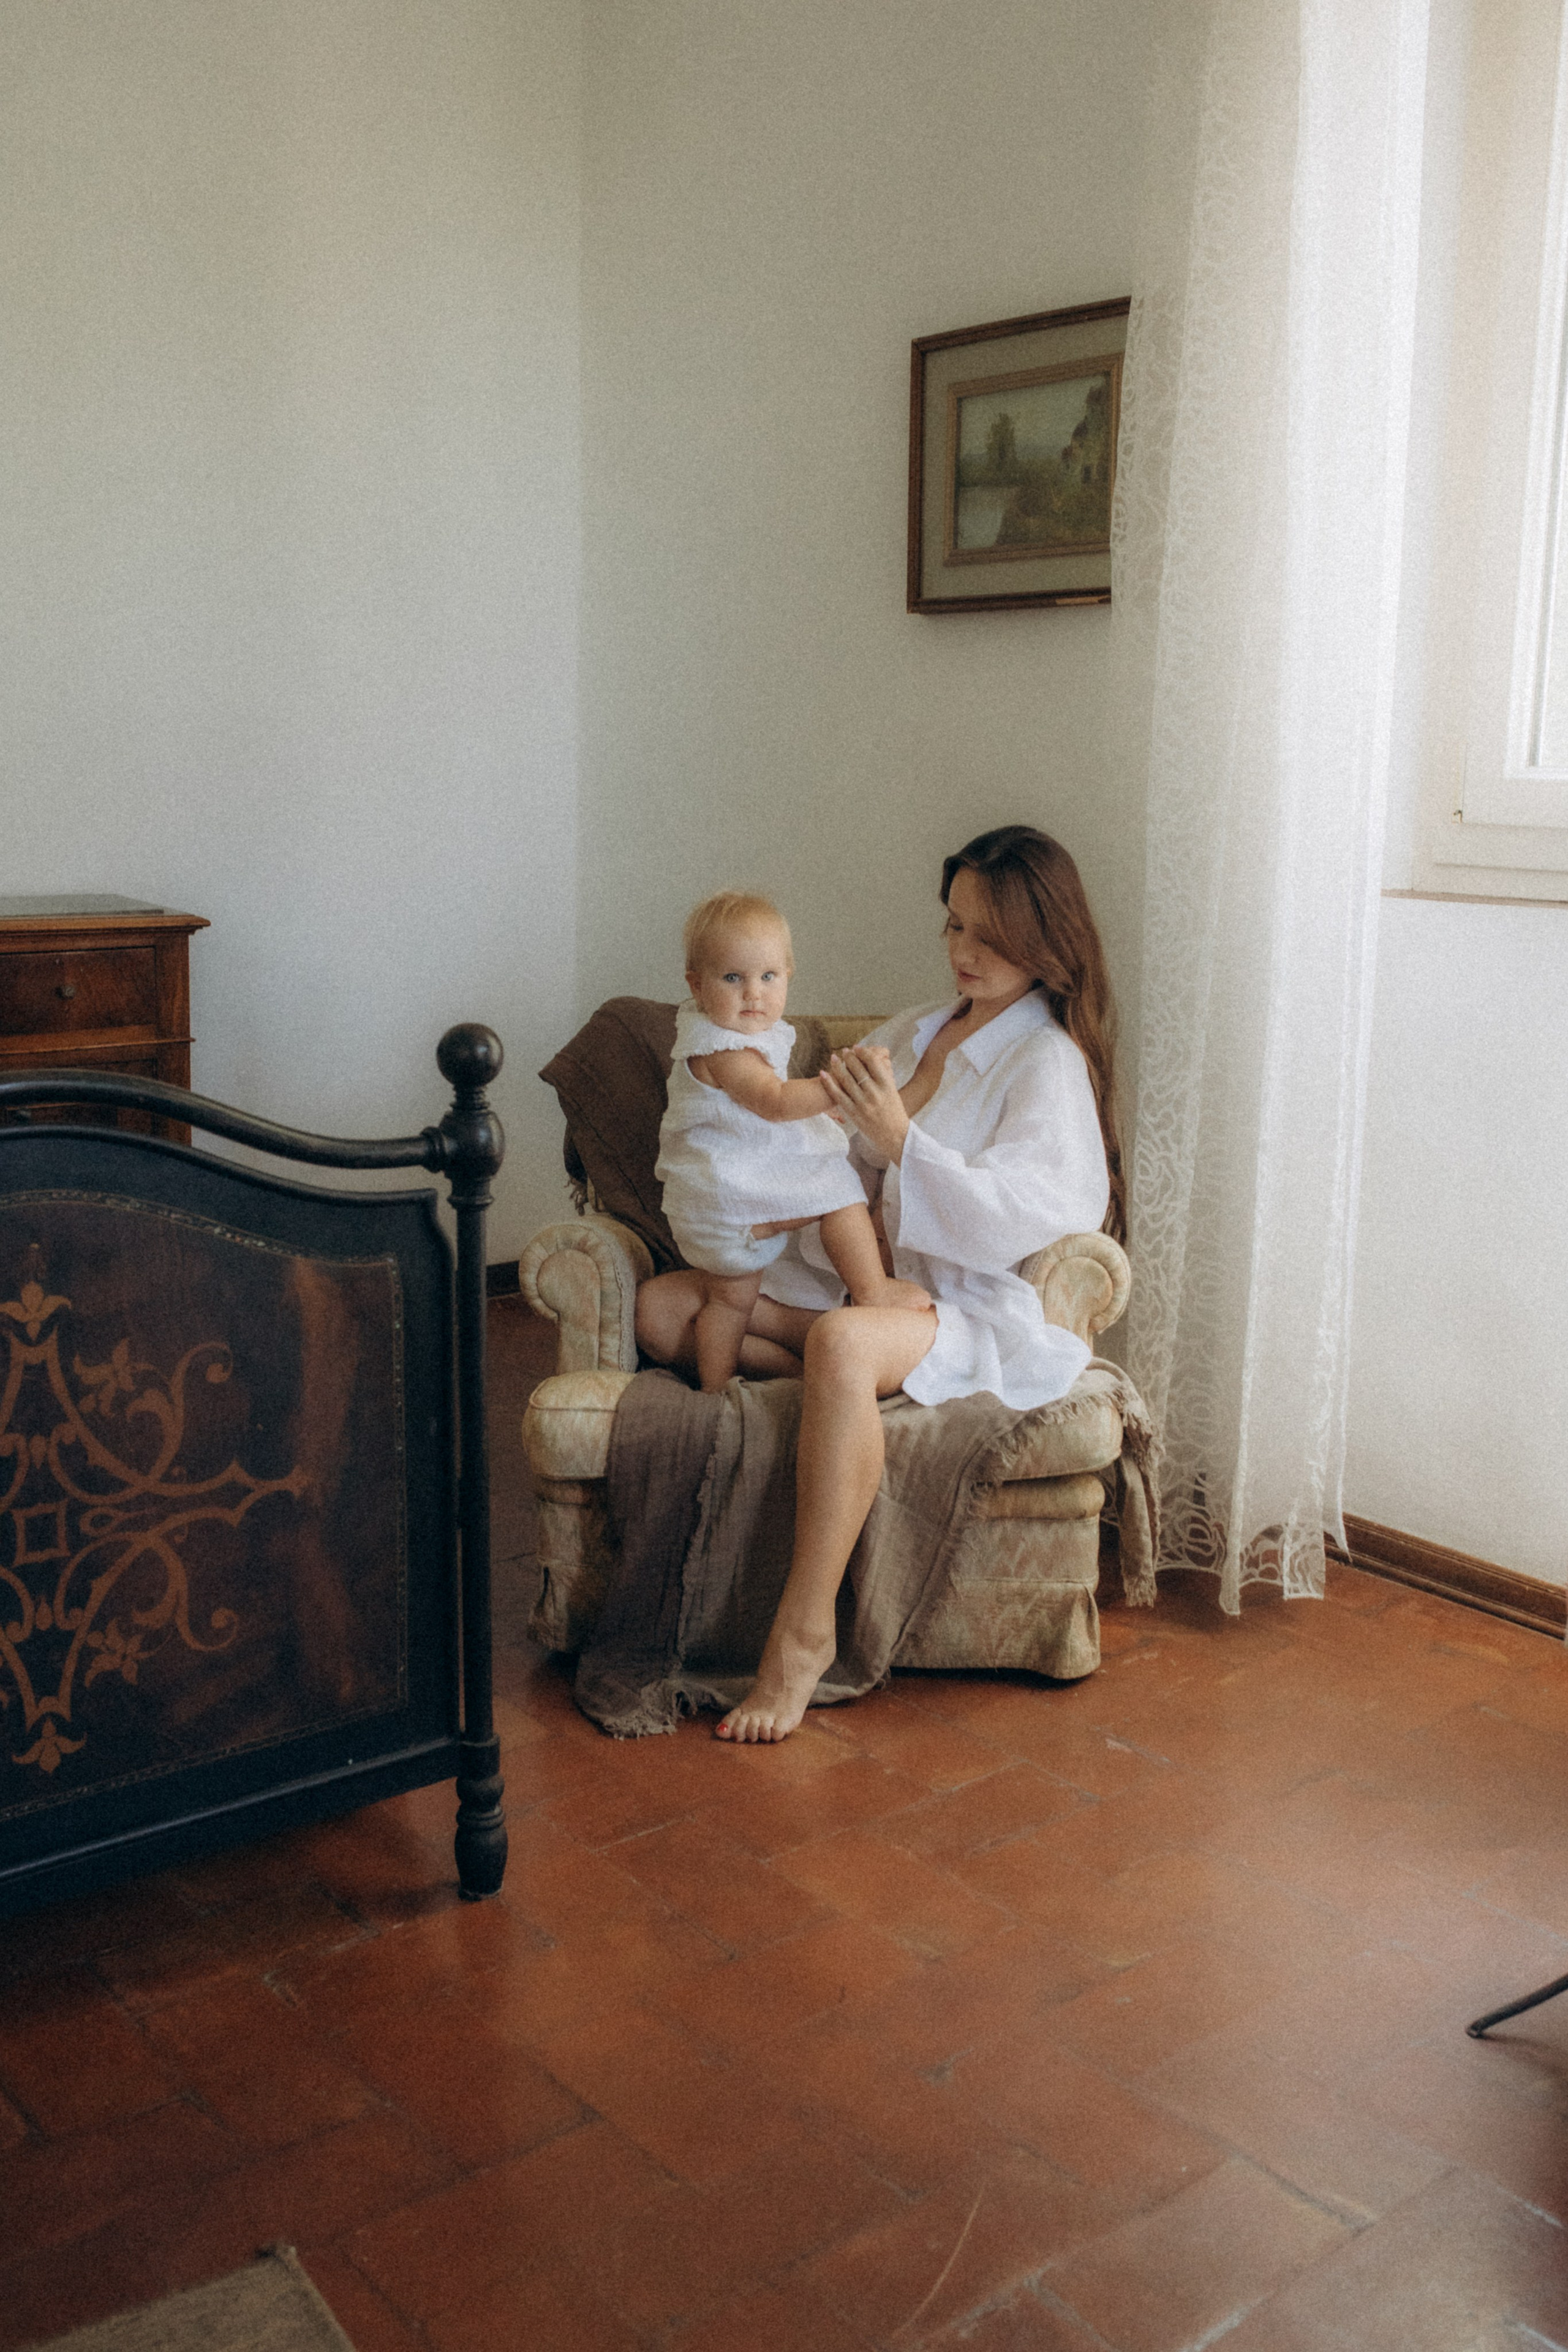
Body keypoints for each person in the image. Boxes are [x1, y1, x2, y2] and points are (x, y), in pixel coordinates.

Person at [635, 827, 1123, 1741]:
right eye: (953, 927)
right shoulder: (914, 1029)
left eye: (990, 935)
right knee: (665, 1309)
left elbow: (1041, 1211)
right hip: (851, 1268)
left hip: (957, 1299)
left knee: (844, 1339)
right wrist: (786, 1202)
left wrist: (904, 1145)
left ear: (1044, 939)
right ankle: (842, 1401)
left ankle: (802, 1636)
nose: (964, 953)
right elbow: (826, 1153)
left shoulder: (1046, 1062)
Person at [655, 891, 932, 1392]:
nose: (753, 994)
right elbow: (775, 1102)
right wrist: (838, 1088)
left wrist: (819, 1107)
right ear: (697, 985)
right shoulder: (727, 1049)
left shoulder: (719, 1035)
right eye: (732, 978)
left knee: (730, 1303)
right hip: (730, 1202)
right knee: (839, 1193)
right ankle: (873, 1291)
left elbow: (758, 1116)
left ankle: (717, 1389)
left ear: (788, 976)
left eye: (768, 977)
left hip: (714, 1209)